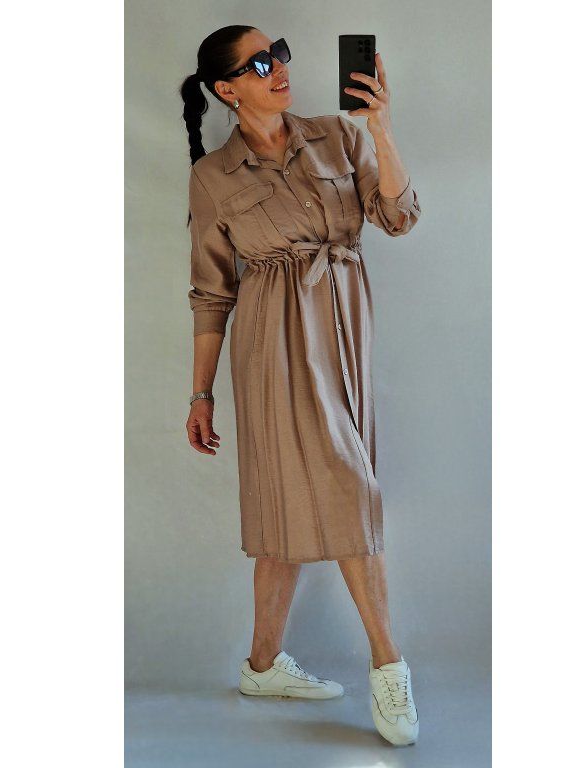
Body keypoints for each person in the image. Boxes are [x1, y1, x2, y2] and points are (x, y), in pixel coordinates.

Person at [178, 26, 422, 746]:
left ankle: (261, 666)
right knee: (347, 485)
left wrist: (379, 128)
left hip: (346, 330)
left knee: (286, 503)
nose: (278, 68)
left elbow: (399, 217)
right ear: (227, 90)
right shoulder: (213, 176)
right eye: (259, 64)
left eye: (278, 53)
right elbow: (210, 293)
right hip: (274, 342)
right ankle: (389, 664)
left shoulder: (336, 137)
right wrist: (200, 393)